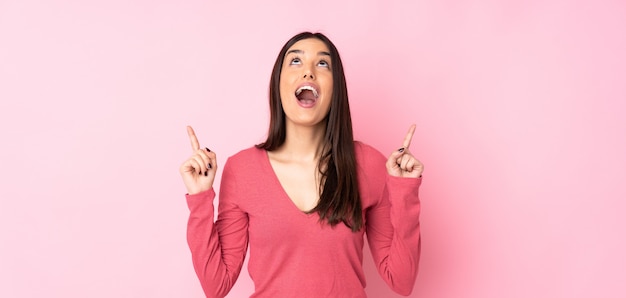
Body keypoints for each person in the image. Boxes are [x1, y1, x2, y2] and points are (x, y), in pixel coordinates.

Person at [180, 32, 424, 298]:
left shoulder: (370, 165)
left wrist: (404, 189)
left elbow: (402, 280)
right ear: (279, 83)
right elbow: (216, 285)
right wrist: (200, 197)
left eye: (322, 64)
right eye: (295, 61)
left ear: (336, 89)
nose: (308, 72)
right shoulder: (242, 170)